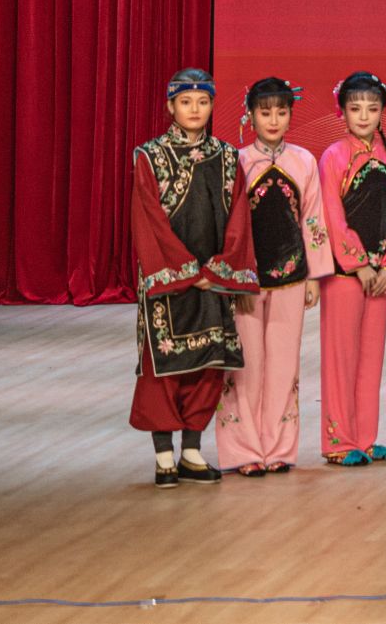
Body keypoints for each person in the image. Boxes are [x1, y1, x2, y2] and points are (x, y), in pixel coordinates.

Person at [130, 69, 259, 488]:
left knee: (207, 364)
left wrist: (218, 269)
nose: (194, 109)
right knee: (163, 368)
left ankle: (191, 452)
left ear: (212, 106)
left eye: (203, 102)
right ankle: (163, 456)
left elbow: (239, 217)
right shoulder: (149, 157)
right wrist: (186, 270)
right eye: (185, 102)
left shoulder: (227, 157)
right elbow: (149, 220)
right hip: (167, 279)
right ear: (170, 106)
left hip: (212, 276)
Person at [219, 77, 333, 476]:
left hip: (291, 276)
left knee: (284, 365)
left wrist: (314, 275)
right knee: (245, 367)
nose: (273, 120)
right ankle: (244, 450)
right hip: (247, 281)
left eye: (281, 112)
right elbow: (228, 227)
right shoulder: (236, 162)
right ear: (250, 116)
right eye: (265, 112)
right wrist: (232, 278)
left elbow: (312, 219)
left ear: (290, 115)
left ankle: (280, 448)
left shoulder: (303, 161)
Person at [317, 71, 386, 466]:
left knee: (371, 358)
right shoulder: (334, 156)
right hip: (344, 274)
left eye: (372, 108)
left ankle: (366, 438)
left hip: (381, 273)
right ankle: (339, 441)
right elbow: (332, 216)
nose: (365, 116)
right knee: (341, 358)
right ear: (343, 112)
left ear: (383, 110)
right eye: (356, 109)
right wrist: (358, 264)